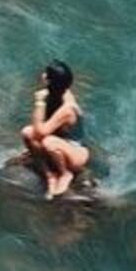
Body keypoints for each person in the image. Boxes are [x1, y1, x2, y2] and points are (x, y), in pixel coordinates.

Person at [21, 60, 89, 200]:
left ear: (49, 80)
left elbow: (41, 131)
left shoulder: (67, 108)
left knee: (48, 142)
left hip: (76, 152)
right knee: (27, 132)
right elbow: (35, 130)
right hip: (60, 143)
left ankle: (65, 174)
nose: (43, 75)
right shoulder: (55, 92)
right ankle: (49, 173)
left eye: (46, 74)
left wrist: (39, 102)